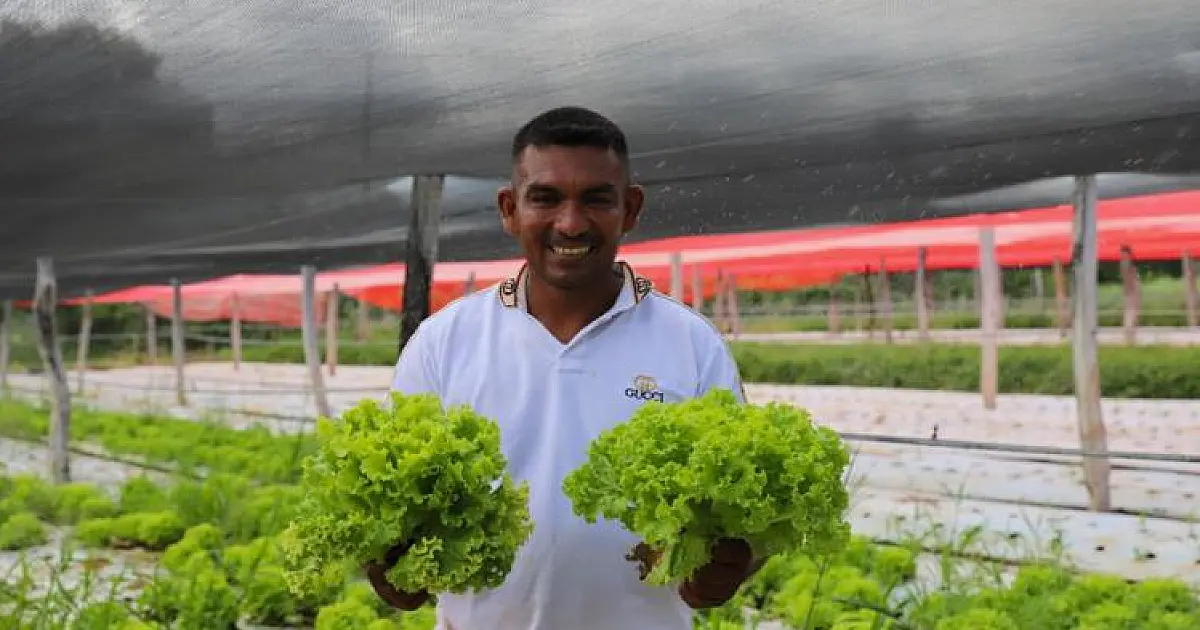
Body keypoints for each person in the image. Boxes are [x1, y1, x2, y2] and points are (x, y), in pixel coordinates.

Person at [371, 106, 760, 630]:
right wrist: (391, 562)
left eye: (597, 199)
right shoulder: (446, 340)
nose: (570, 223)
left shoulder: (691, 344)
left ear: (631, 208)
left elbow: (743, 515)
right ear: (509, 209)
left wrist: (733, 565)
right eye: (545, 198)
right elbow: (397, 514)